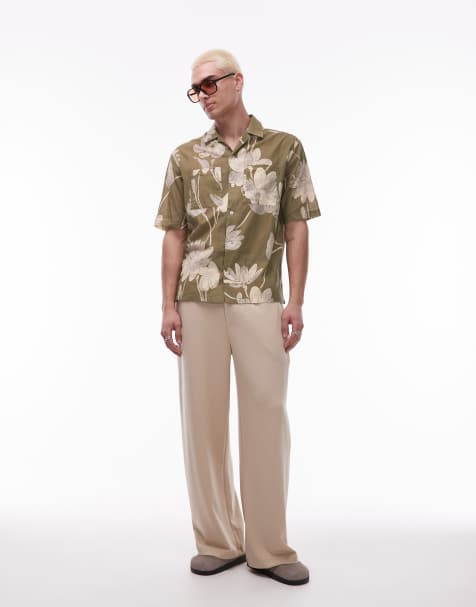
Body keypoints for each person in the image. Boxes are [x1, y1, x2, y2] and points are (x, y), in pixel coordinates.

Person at [154, 48, 321, 586]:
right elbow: (174, 234)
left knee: (266, 417)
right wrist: (167, 305)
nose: (202, 95)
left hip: (260, 299)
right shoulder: (184, 157)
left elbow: (296, 226)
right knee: (201, 423)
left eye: (210, 84)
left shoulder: (284, 148)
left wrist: (296, 301)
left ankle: (269, 547)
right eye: (195, 89)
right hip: (198, 300)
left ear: (238, 81)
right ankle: (218, 540)